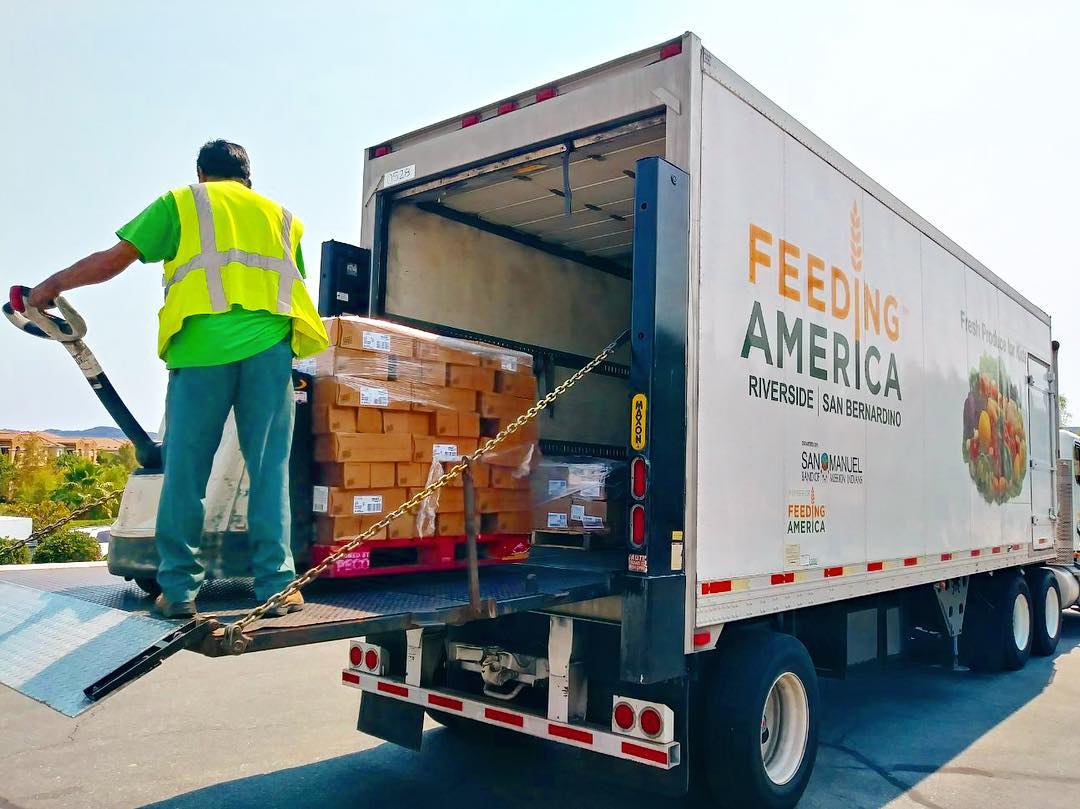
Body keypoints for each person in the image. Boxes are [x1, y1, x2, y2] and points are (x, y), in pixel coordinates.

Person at [29, 139, 329, 618]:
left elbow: (112, 261)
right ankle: (277, 588)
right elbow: (292, 287)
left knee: (186, 473)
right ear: (248, 178)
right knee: (269, 471)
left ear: (202, 173)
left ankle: (180, 592)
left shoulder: (183, 202)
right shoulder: (284, 218)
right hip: (270, 353)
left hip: (201, 351)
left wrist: (51, 286)